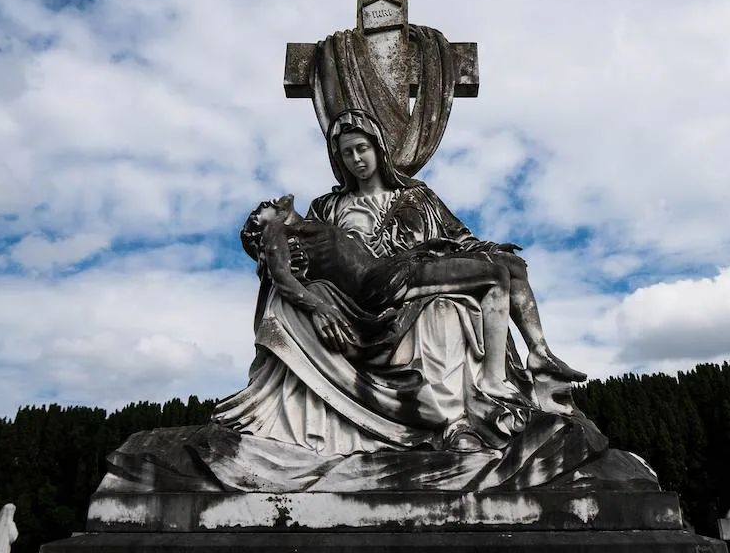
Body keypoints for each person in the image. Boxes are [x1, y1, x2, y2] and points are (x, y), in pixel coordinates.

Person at [214, 109, 581, 454]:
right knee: (453, 304)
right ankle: (459, 415)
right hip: (366, 297)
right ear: (338, 159)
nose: (356, 159)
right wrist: (316, 300)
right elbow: (297, 266)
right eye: (347, 154)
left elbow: (460, 238)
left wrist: (485, 248)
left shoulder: (417, 197)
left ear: (378, 148)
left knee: (502, 268)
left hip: (415, 274)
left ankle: (535, 361)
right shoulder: (325, 209)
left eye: (362, 149)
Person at [240, 193, 585, 396]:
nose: (265, 203)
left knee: (510, 265)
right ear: (260, 227)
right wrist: (317, 308)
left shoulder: (308, 222)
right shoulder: (276, 233)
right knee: (496, 274)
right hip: (380, 285)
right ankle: (495, 380)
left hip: (392, 268)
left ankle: (539, 352)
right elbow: (283, 279)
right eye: (258, 210)